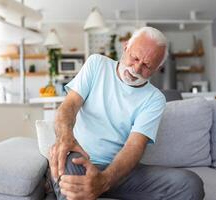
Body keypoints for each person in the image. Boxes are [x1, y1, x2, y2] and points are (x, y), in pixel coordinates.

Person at [48, 27, 205, 200]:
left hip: (119, 172)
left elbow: (134, 147)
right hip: (80, 162)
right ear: (125, 48)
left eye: (146, 65)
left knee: (190, 184)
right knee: (70, 167)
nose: (136, 69)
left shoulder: (155, 99)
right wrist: (65, 138)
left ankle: (95, 188)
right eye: (135, 58)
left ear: (157, 68)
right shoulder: (96, 64)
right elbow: (69, 106)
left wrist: (104, 180)